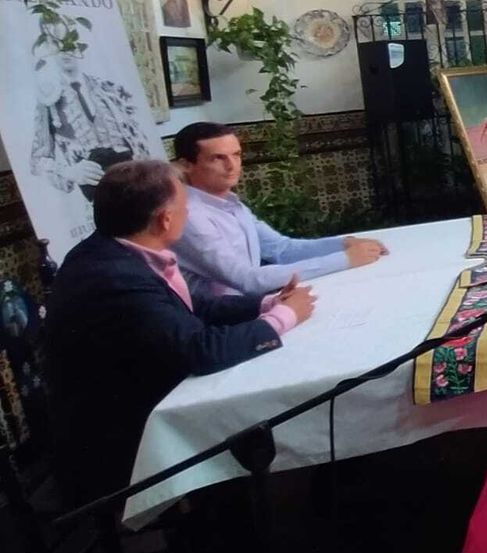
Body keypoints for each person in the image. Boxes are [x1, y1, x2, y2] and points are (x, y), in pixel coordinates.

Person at [45, 160, 313, 503]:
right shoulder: (114, 276)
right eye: (185, 207)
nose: (189, 214)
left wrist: (266, 304)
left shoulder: (117, 250)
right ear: (165, 220)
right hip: (120, 438)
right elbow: (199, 351)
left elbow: (195, 306)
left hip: (141, 394)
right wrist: (284, 318)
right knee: (247, 421)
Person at [171, 123, 388, 297]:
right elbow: (247, 280)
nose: (232, 166)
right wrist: (345, 259)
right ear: (187, 165)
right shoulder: (189, 215)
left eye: (236, 155)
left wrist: (342, 244)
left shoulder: (228, 201)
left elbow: (281, 249)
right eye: (218, 158)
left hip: (254, 305)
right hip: (221, 321)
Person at [29, 30, 159, 199]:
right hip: (93, 193)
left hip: (133, 184)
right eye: (58, 46)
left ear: (80, 48)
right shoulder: (49, 101)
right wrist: (69, 172)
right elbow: (37, 161)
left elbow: (140, 140)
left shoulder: (110, 89)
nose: (65, 52)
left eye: (70, 44)